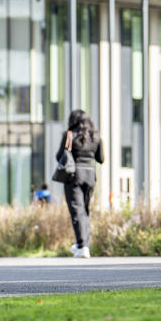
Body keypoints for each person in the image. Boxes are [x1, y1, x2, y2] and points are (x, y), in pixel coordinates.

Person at [57, 109, 102, 258]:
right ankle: (82, 245)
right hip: (90, 176)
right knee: (85, 211)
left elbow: (59, 156)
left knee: (77, 211)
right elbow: (101, 158)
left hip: (74, 176)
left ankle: (82, 246)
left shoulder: (69, 135)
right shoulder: (96, 136)